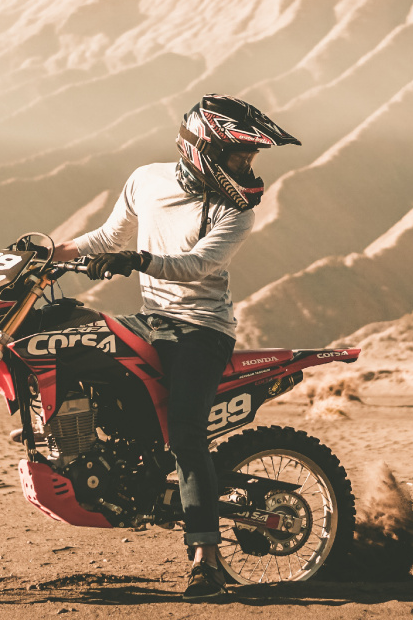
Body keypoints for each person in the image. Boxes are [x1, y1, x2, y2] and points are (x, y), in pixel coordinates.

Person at [49, 93, 299, 599]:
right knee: (71, 342)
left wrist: (136, 260)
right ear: (204, 147)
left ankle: (206, 560)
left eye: (249, 157)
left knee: (185, 435)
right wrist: (45, 254)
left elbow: (196, 266)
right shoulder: (146, 180)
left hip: (202, 330)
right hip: (151, 320)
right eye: (239, 156)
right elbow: (105, 235)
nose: (247, 167)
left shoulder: (236, 211)